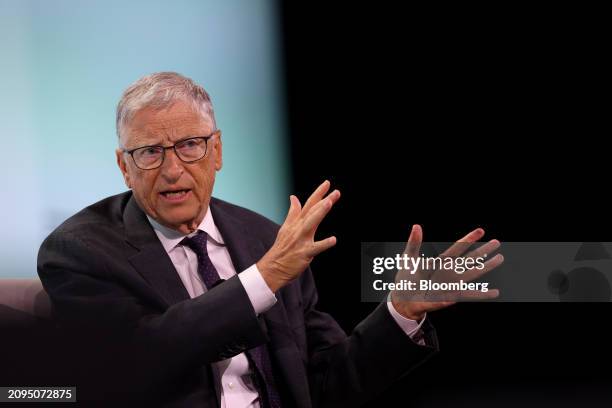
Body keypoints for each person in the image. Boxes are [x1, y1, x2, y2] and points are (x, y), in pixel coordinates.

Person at [37, 72, 501, 407]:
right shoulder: (80, 251)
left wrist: (400, 312)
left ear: (216, 151)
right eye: (150, 153)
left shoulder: (262, 238)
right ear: (125, 166)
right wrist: (264, 278)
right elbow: (134, 363)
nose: (173, 169)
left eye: (189, 145)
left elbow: (329, 383)